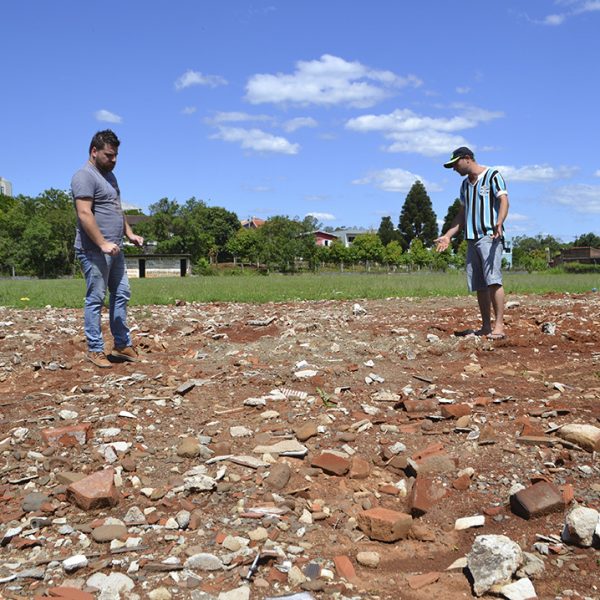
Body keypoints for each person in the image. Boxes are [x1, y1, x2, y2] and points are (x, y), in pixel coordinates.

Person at [71, 130, 144, 367]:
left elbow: (116, 209)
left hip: (116, 248)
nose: (114, 160)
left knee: (121, 293)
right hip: (94, 250)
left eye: (116, 156)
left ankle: (122, 345)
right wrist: (102, 243)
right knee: (96, 298)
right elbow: (84, 213)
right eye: (109, 155)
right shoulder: (84, 176)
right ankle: (94, 349)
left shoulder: (110, 177)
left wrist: (129, 233)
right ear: (94, 151)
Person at [435, 146, 509, 339]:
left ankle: (499, 326)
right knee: (479, 284)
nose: (454, 169)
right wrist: (448, 235)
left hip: (489, 237)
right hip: (471, 238)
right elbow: (462, 214)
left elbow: (503, 200)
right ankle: (485, 326)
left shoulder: (493, 175)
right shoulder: (465, 186)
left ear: (467, 159)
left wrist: (499, 222)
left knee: (493, 280)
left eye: (455, 164)